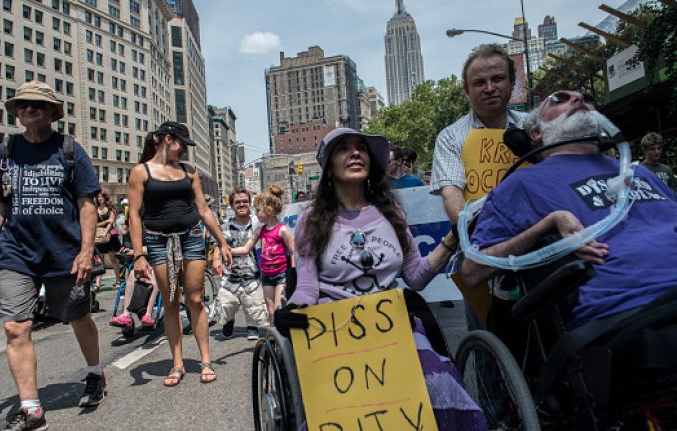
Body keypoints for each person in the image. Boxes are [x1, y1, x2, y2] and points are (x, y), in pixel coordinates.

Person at [276, 127, 485, 429]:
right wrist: (290, 311)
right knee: (343, 411)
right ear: (329, 167)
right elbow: (307, 286)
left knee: (437, 383)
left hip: (392, 328)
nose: (355, 153)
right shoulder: (313, 218)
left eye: (360, 147)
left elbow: (415, 276)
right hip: (336, 334)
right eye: (343, 148)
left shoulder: (391, 214)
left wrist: (452, 239)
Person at [460, 91, 677, 328]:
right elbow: (473, 272)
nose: (578, 99)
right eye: (559, 98)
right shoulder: (522, 184)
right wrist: (548, 223)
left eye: (585, 98)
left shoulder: (640, 172)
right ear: (537, 132)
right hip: (631, 312)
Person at [0, 81, 104, 430]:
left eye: (37, 105)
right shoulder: (4, 153)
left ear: (51, 113)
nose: (28, 110)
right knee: (16, 327)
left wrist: (86, 251)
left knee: (79, 316)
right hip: (17, 256)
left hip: (65, 255)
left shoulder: (70, 150)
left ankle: (94, 372)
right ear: (16, 112)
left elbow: (87, 205)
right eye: (22, 105)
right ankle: (31, 409)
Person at [127, 123, 232, 386]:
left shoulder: (189, 171)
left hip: (191, 238)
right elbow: (135, 217)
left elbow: (204, 210)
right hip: (158, 241)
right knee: (171, 301)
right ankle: (177, 363)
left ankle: (205, 360)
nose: (185, 150)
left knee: (195, 298)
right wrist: (139, 255)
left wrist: (222, 242)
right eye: (182, 144)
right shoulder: (141, 172)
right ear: (168, 139)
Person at [430, 43, 527, 223]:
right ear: (467, 90)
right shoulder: (450, 138)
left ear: (512, 82)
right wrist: (475, 234)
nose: (489, 88)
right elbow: (451, 193)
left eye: (497, 79)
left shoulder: (535, 126)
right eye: (479, 83)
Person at [230, 185, 294, 326]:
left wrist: (293, 272)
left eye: (258, 210)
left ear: (269, 210)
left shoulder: (282, 230)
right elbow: (246, 248)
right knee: (270, 312)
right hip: (266, 276)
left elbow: (293, 252)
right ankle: (273, 340)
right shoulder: (260, 230)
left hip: (281, 275)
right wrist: (228, 250)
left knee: (279, 309)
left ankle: (283, 340)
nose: (255, 213)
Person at [213, 189, 268, 340]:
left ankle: (252, 326)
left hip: (253, 276)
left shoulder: (259, 226)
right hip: (230, 277)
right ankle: (229, 321)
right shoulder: (223, 228)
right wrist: (216, 259)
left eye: (244, 201)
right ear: (231, 205)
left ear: (249, 203)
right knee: (225, 306)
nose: (242, 204)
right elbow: (218, 245)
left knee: (256, 309)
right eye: (237, 202)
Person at [109, 219, 159, 329]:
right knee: (131, 276)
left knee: (154, 280)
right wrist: (125, 249)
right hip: (140, 264)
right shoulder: (130, 234)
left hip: (156, 262)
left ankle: (148, 315)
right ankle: (126, 315)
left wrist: (136, 251)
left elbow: (155, 248)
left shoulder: (152, 228)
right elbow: (128, 245)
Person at [95, 191, 121, 290]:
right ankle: (98, 284)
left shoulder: (111, 209)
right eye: (98, 197)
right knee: (100, 261)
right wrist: (105, 222)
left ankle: (118, 281)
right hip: (99, 237)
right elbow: (94, 224)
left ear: (105, 198)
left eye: (101, 197)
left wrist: (105, 234)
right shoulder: (95, 210)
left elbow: (111, 222)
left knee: (113, 260)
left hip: (110, 237)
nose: (99, 199)